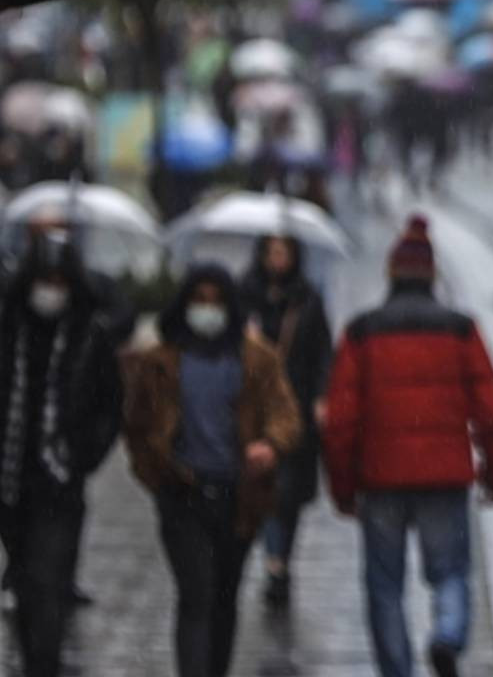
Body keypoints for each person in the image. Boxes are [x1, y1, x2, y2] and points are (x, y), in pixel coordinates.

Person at [325, 216, 493, 677]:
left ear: (390, 275)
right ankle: (446, 635)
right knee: (450, 572)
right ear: (431, 276)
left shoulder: (362, 332)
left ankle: (397, 669)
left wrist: (343, 488)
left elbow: (340, 420)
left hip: (380, 478)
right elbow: (491, 409)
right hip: (445, 476)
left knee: (385, 586)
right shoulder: (461, 329)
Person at [122, 264, 300, 677]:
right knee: (196, 594)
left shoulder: (257, 359)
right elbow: (136, 425)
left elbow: (284, 412)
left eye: (215, 301)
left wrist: (269, 445)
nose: (207, 310)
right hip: (182, 495)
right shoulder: (161, 362)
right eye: (199, 300)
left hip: (237, 498)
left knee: (223, 596)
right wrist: (157, 475)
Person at [0, 232, 121, 676]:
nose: (50, 289)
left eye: (59, 280)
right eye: (44, 278)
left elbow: (111, 405)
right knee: (27, 585)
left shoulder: (89, 337)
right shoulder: (9, 329)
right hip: (10, 483)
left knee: (49, 586)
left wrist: (81, 455)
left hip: (58, 485)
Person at [240, 236, 333, 609]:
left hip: (294, 408)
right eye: (272, 252)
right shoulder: (245, 295)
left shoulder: (306, 298)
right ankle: (274, 562)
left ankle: (280, 559)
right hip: (253, 409)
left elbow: (323, 351)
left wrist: (321, 397)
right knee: (263, 487)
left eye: (285, 253)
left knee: (288, 493)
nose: (278, 259)